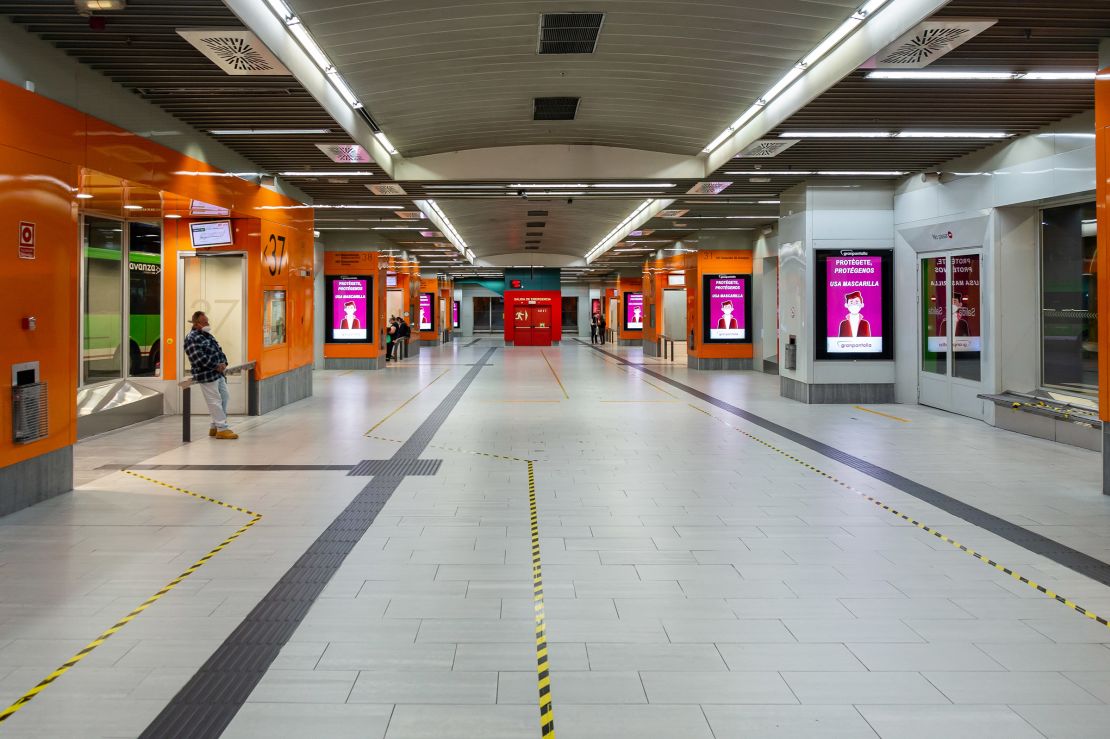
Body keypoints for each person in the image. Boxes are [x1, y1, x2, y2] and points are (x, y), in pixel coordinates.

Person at [183, 310, 237, 439]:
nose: (207, 323)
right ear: (196, 324)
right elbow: (198, 359)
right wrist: (216, 366)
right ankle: (222, 428)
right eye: (204, 322)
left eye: (207, 321)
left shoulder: (207, 335)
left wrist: (224, 362)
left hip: (218, 374)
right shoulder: (191, 339)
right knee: (214, 401)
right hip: (206, 375)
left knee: (225, 397)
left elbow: (219, 350)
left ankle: (214, 426)